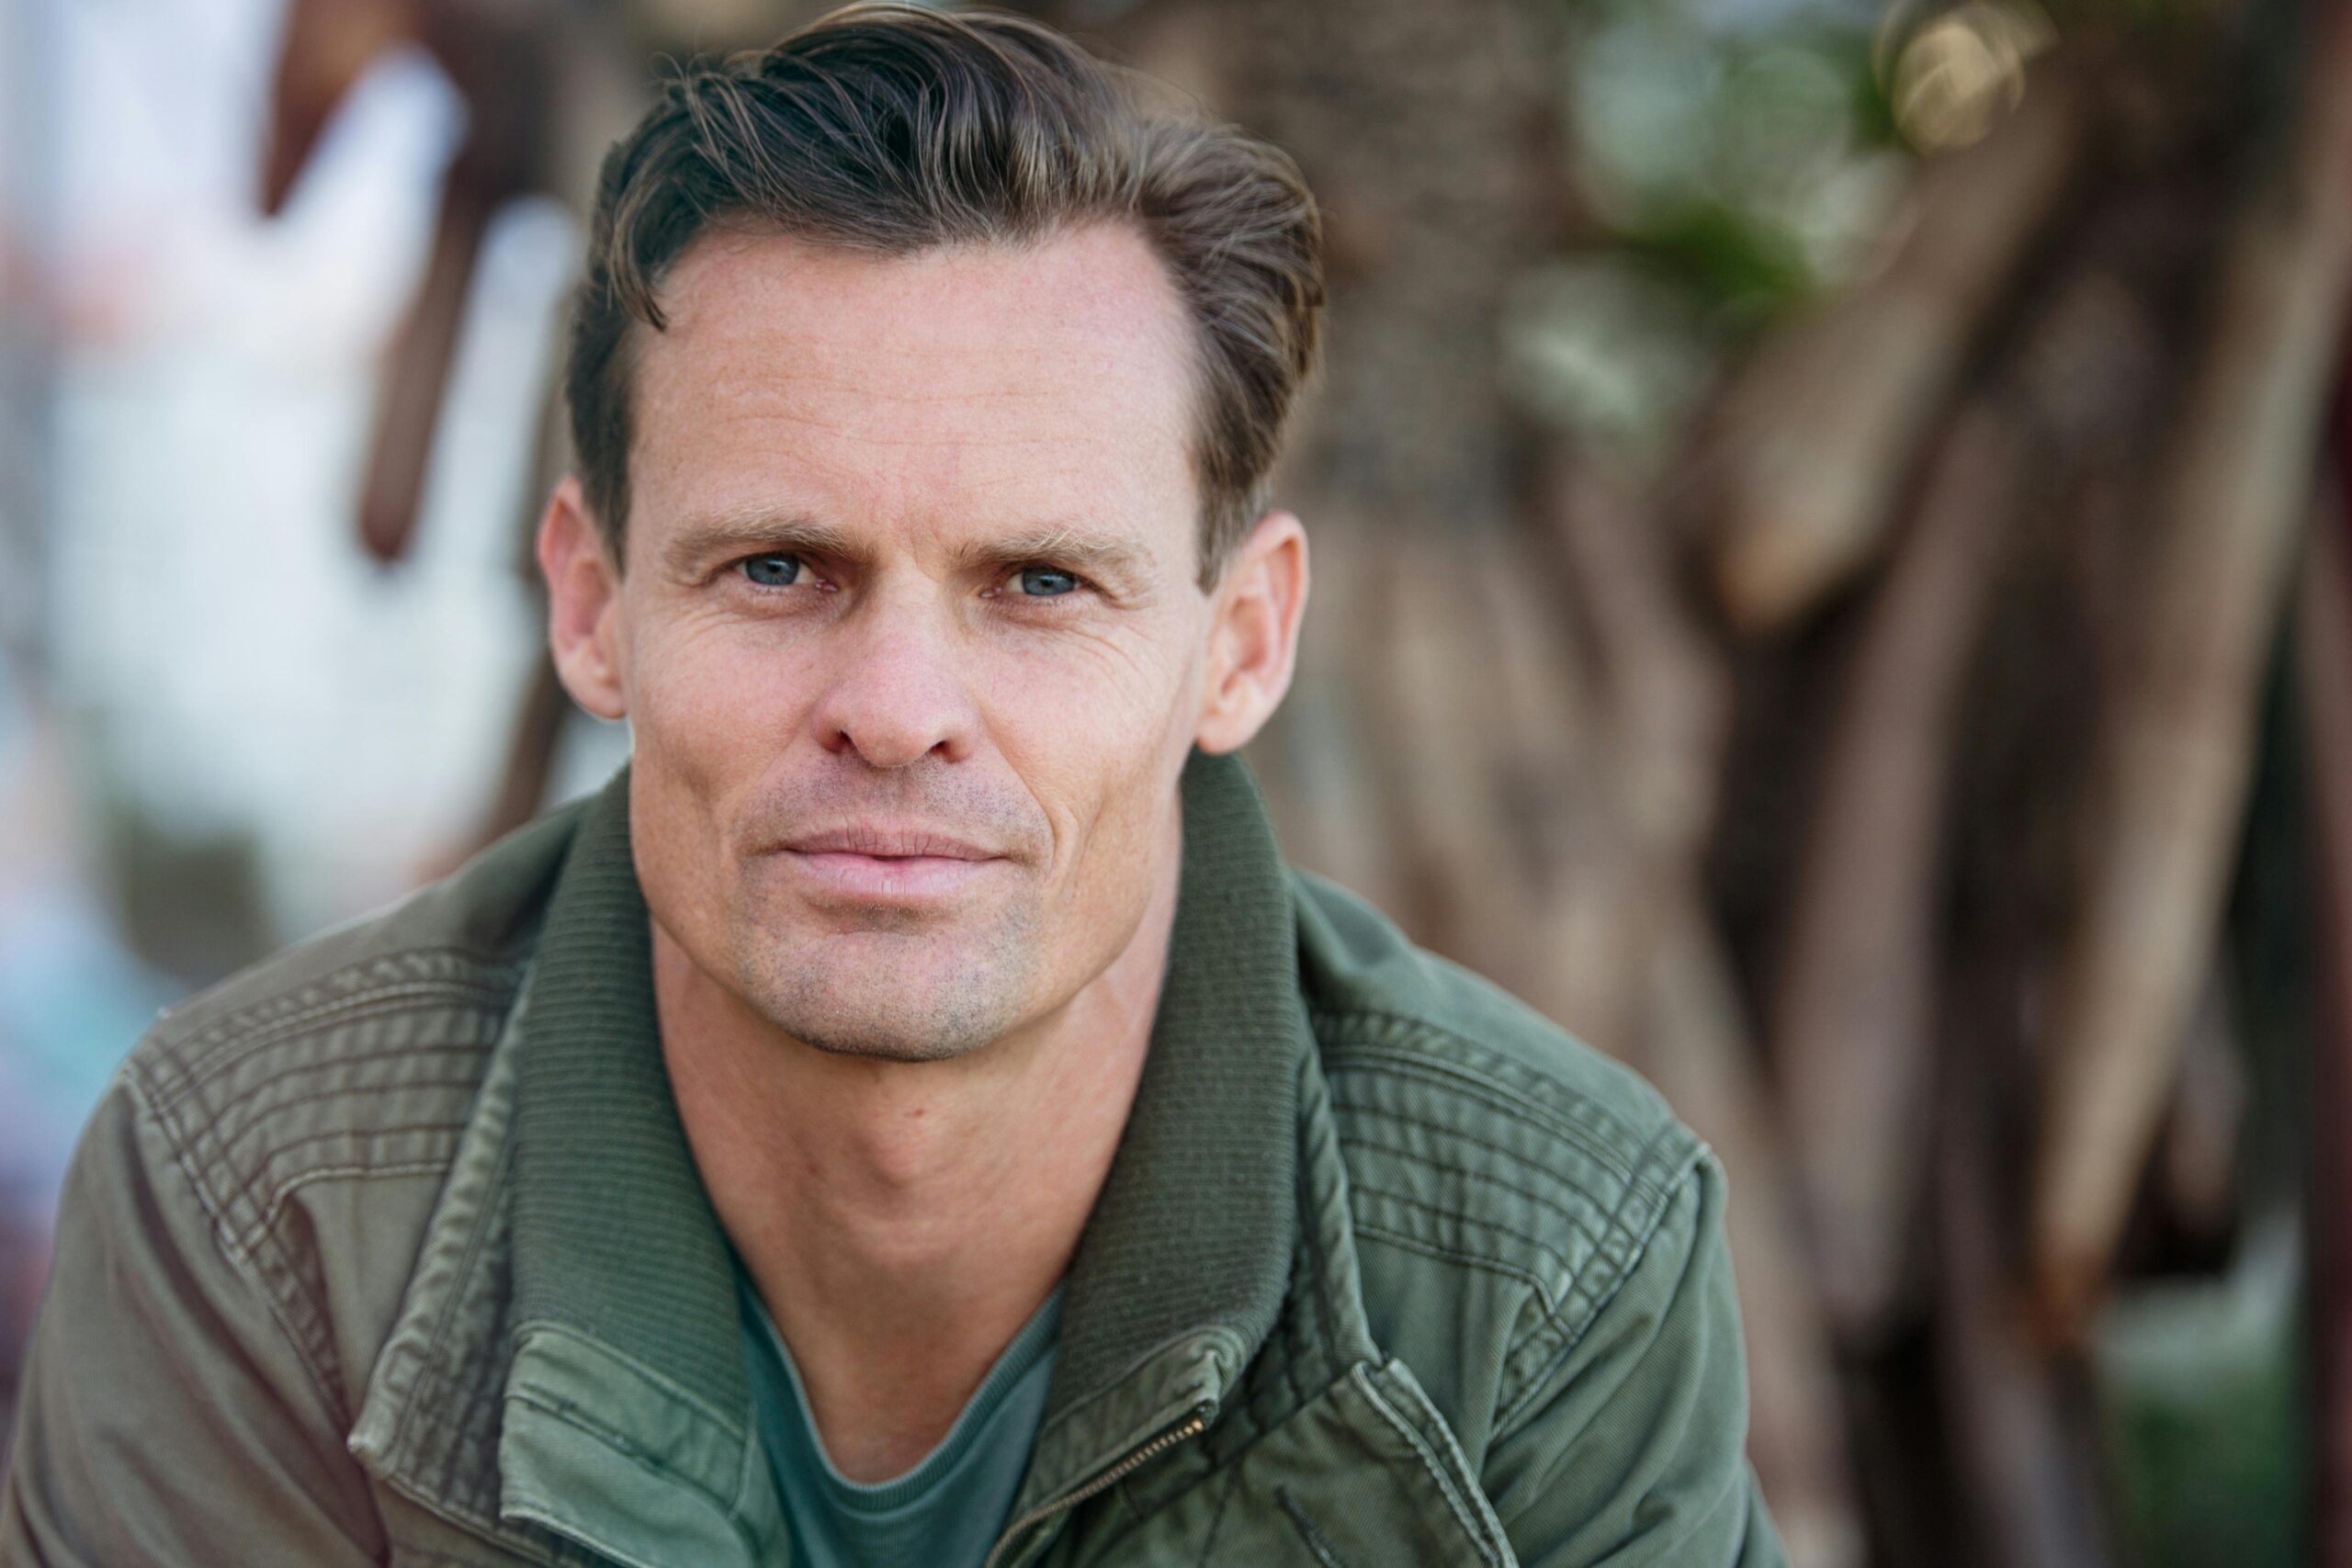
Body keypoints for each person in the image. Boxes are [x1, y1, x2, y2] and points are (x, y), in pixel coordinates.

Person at [0, 6, 1786, 1565]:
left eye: (1038, 582)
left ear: (1237, 644)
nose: (897, 708)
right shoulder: (261, 1193)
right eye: (779, 566)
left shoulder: (1550, 1254)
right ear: (590, 606)